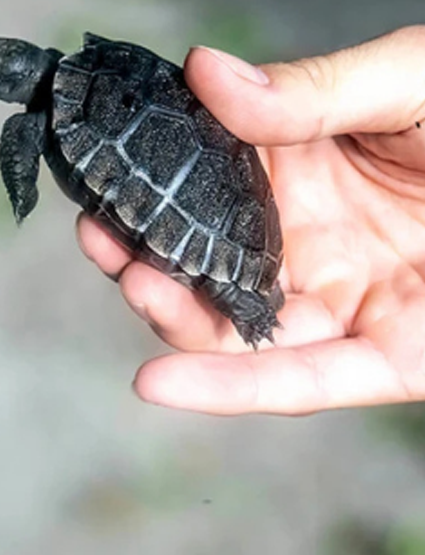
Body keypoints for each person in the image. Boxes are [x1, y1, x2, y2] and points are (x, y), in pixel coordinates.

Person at [76, 25, 425, 416]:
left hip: (211, 209)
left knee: (221, 287)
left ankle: (253, 307)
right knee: (197, 283)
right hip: (218, 207)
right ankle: (250, 297)